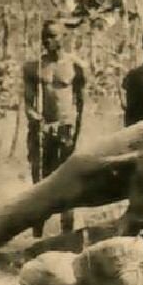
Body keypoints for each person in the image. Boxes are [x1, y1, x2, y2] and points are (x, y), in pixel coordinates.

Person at [23, 20, 86, 237]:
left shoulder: (76, 66)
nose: (47, 41)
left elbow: (80, 103)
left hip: (65, 130)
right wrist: (37, 121)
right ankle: (37, 234)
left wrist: (74, 132)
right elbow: (28, 103)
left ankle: (66, 234)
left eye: (51, 36)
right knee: (39, 180)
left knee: (68, 181)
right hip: (42, 131)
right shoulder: (34, 68)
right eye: (44, 36)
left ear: (62, 37)